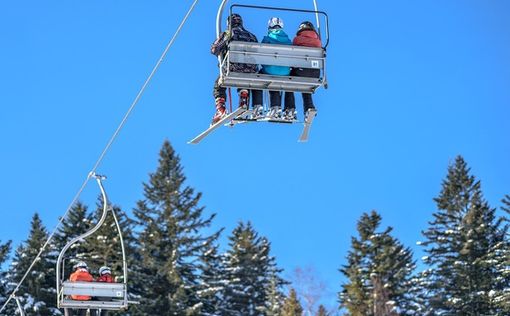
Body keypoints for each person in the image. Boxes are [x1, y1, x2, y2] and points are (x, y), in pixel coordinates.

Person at [210, 13, 263, 125]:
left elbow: (214, 49)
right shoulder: (252, 36)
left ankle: (221, 110)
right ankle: (243, 100)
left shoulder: (228, 33)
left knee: (218, 85)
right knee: (244, 76)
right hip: (250, 70)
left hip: (233, 68)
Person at [283, 21, 322, 121]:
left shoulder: (297, 40)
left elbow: (294, 55)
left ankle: (289, 108)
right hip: (315, 73)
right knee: (306, 85)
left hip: (301, 71)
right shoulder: (318, 42)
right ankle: (309, 107)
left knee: (289, 81)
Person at [260, 17, 294, 120]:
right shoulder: (288, 41)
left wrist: (264, 65)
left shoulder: (267, 39)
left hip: (271, 70)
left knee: (269, 77)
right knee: (289, 82)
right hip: (286, 72)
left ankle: (274, 107)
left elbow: (261, 56)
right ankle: (290, 109)